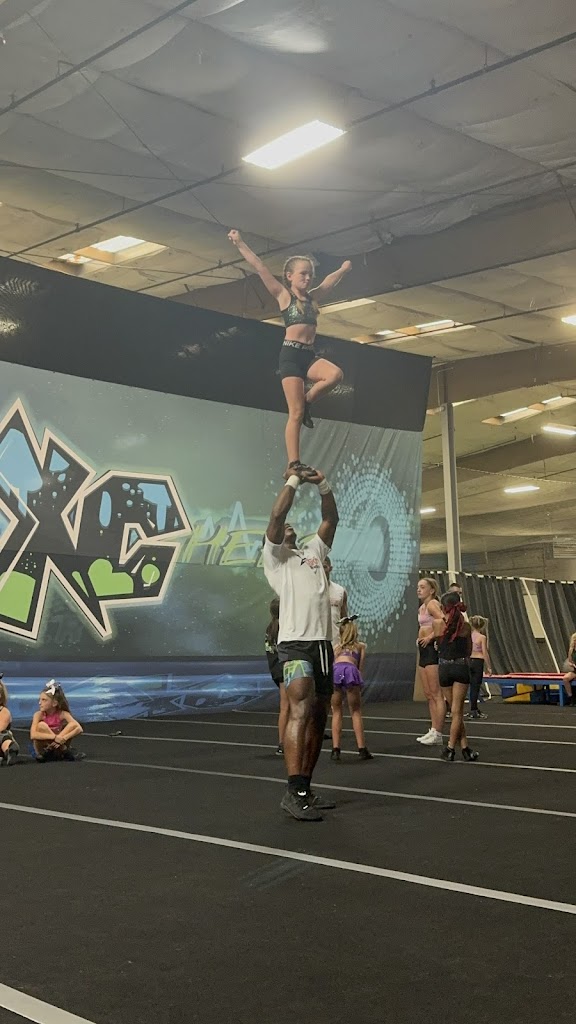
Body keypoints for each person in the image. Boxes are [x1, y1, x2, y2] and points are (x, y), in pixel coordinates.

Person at [228, 229, 351, 474]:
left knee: (335, 375)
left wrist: (343, 269)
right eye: (303, 274)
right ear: (289, 276)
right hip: (291, 357)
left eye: (310, 274)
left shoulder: (313, 299)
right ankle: (293, 463)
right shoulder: (284, 296)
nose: (308, 278)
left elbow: (329, 281)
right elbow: (259, 267)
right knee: (295, 413)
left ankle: (308, 401)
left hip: (309, 355)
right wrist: (239, 243)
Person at [262, 465, 338, 821]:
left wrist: (321, 483)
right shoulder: (276, 558)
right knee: (300, 710)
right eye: (285, 527)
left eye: (294, 525)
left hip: (322, 644)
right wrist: (294, 479)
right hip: (294, 645)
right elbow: (278, 514)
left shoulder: (313, 553)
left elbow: (331, 518)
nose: (289, 526)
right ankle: (292, 791)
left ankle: (305, 788)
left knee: (319, 717)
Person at [433, 592, 479, 762]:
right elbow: (469, 650)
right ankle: (451, 748)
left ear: (443, 607)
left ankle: (465, 747)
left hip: (444, 668)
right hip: (460, 667)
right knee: (457, 712)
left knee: (454, 712)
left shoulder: (438, 624)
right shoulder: (465, 627)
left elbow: (438, 645)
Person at [330, 615, 372, 761]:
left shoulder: (336, 648)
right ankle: (362, 749)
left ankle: (335, 749)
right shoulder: (360, 647)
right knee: (355, 711)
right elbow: (359, 668)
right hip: (350, 671)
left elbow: (333, 664)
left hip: (336, 671)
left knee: (336, 711)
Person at [416, 578, 446, 745]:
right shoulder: (422, 607)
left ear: (432, 590)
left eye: (422, 587)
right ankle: (433, 729)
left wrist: (430, 637)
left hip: (431, 649)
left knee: (436, 693)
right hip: (423, 650)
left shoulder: (432, 604)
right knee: (428, 693)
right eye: (418, 587)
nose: (419, 590)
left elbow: (443, 621)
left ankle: (439, 732)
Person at [30, 681, 84, 761]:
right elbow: (33, 735)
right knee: (41, 725)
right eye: (40, 699)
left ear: (54, 703)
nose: (39, 703)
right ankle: (62, 750)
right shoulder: (38, 715)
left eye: (44, 700)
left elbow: (79, 728)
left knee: (72, 724)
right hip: (44, 749)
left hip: (58, 747)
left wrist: (63, 738)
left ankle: (62, 750)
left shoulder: (63, 714)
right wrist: (55, 737)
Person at [265, 597, 289, 753]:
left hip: (276, 670)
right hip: (285, 669)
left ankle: (283, 743)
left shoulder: (270, 628)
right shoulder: (283, 627)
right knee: (288, 707)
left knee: (285, 707)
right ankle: (283, 743)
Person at [468, 615, 492, 719]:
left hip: (469, 660)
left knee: (469, 686)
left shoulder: (468, 636)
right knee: (475, 686)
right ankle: (473, 709)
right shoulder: (482, 637)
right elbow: (485, 652)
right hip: (478, 661)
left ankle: (473, 709)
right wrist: (489, 666)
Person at [323, 556, 348, 645]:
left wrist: (345, 642)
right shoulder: (309, 591)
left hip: (336, 644)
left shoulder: (340, 591)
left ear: (330, 568)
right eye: (319, 567)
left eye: (324, 567)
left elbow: (344, 620)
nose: (322, 570)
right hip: (315, 644)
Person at [0, 672, 19, 767]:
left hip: (2, 742)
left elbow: (1, 728)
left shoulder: (4, 711)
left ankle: (10, 750)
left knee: (2, 735)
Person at [561, 633, 576, 706]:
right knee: (565, 678)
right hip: (575, 670)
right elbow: (570, 661)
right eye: (574, 640)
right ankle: (571, 697)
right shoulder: (571, 650)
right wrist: (572, 664)